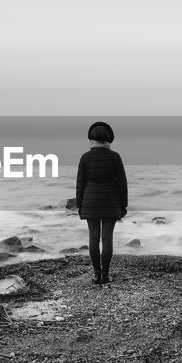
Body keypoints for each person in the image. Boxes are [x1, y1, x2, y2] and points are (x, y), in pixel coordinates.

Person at [75, 121, 128, 285]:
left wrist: (79, 205)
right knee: (107, 239)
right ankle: (105, 275)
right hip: (110, 202)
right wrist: (123, 205)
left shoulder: (85, 157)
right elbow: (122, 183)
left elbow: (80, 184)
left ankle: (97, 275)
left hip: (90, 202)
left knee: (93, 238)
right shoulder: (115, 157)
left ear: (91, 139)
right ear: (108, 139)